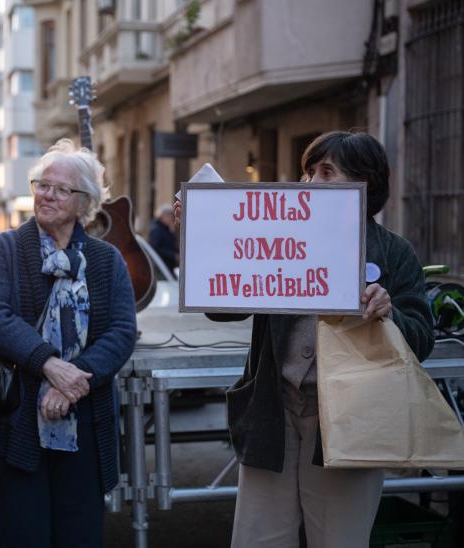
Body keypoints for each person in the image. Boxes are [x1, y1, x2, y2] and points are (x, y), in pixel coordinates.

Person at [176, 131, 434, 548]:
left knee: (339, 539)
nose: (310, 182)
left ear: (362, 184)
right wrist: (204, 238)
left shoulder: (394, 252)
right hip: (273, 412)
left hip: (350, 421)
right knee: (258, 539)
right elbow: (223, 307)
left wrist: (389, 312)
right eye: (308, 172)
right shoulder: (279, 236)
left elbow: (422, 339)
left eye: (326, 172)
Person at [0, 139, 137, 547]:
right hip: (20, 416)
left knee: (80, 533)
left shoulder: (106, 259)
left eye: (61, 189)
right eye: (42, 184)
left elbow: (121, 331)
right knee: (24, 533)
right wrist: (50, 365)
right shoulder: (6, 248)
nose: (47, 194)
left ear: (85, 202)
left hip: (85, 415)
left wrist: (73, 381)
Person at [148, 203, 179, 271]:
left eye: (171, 216)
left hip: (168, 267)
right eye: (168, 216)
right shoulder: (156, 230)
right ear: (161, 216)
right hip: (160, 268)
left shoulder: (166, 229)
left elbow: (171, 245)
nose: (170, 218)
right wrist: (173, 255)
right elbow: (155, 249)